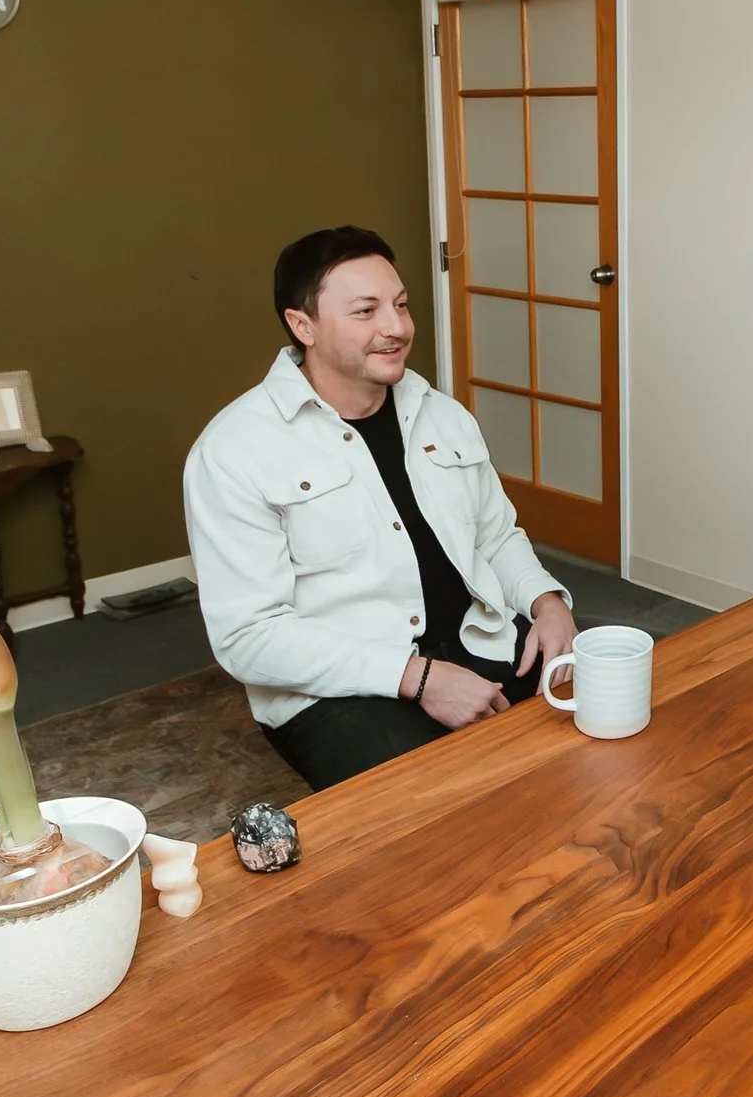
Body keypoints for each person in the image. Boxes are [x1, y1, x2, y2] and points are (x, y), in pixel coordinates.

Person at [183, 226, 578, 792]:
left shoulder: (442, 415)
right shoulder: (233, 451)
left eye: (400, 305)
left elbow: (496, 537)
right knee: (439, 819)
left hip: (478, 638)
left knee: (609, 717)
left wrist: (546, 602)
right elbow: (249, 636)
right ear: (303, 326)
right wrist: (417, 678)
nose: (395, 328)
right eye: (365, 311)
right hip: (343, 688)